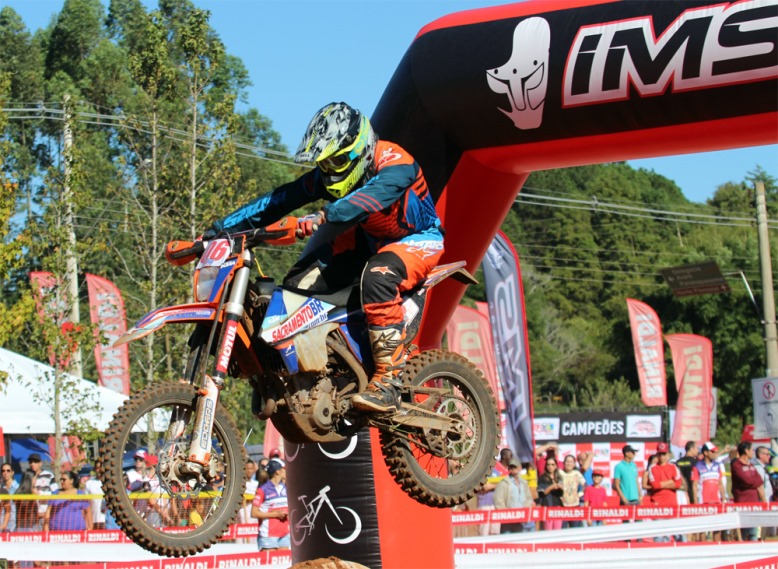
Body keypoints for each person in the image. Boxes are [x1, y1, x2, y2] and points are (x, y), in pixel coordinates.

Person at [205, 102, 445, 414]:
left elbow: (372, 196)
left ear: (359, 149)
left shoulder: (395, 161)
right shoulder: (330, 175)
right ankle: (304, 372)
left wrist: (324, 214)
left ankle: (389, 380)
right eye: (325, 164)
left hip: (416, 240)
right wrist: (220, 229)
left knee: (378, 275)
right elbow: (279, 199)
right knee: (298, 283)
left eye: (337, 161)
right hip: (368, 240)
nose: (330, 172)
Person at [252, 458, 290, 551]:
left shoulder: (285, 488)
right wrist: (276, 514)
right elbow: (254, 513)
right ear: (278, 472)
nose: (287, 471)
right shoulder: (263, 489)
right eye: (284, 469)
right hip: (268, 536)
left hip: (284, 534)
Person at [647, 442, 681, 542]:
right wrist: (671, 481)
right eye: (660, 454)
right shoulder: (652, 468)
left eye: (664, 454)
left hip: (672, 505)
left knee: (675, 535)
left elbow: (678, 484)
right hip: (658, 506)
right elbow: (655, 485)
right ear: (657, 455)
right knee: (659, 536)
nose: (662, 457)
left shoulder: (673, 467)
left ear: (668, 454)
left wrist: (663, 484)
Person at [731, 441, 765, 542]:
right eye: (752, 450)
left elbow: (760, 480)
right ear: (746, 451)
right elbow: (747, 480)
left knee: (753, 533)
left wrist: (754, 483)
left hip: (754, 504)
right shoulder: (736, 465)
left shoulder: (751, 465)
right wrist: (755, 483)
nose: (753, 452)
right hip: (742, 504)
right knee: (744, 533)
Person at [694, 442, 726, 541]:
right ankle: (703, 547)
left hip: (716, 501)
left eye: (716, 451)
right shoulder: (697, 466)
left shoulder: (718, 465)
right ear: (706, 453)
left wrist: (724, 498)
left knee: (717, 528)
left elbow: (720, 483)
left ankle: (717, 547)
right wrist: (695, 502)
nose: (715, 453)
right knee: (703, 528)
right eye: (713, 451)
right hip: (703, 501)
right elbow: (694, 485)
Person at [494, 458, 533, 534]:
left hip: (521, 519)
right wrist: (505, 514)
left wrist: (525, 511)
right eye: (511, 467)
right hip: (508, 520)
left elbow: (529, 498)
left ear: (520, 467)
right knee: (507, 540)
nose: (512, 469)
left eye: (515, 467)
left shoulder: (524, 483)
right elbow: (498, 501)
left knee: (520, 540)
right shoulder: (504, 483)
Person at [754, 445, 776, 539]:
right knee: (760, 527)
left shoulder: (763, 467)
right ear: (761, 455)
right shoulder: (758, 468)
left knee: (765, 528)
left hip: (767, 500)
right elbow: (760, 487)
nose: (769, 456)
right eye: (767, 454)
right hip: (762, 502)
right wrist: (764, 503)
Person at [558, 455, 586, 528]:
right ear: (563, 463)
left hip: (575, 506)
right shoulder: (559, 473)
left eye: (571, 462)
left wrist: (579, 494)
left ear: (574, 464)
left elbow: (585, 485)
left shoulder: (576, 473)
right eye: (567, 461)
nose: (569, 463)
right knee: (562, 530)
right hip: (562, 506)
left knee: (575, 530)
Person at [537, 458, 563, 531]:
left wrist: (562, 487)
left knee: (557, 530)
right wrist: (552, 487)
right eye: (548, 465)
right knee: (548, 530)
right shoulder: (542, 478)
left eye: (552, 464)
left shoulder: (559, 477)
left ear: (556, 466)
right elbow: (543, 492)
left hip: (558, 506)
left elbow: (564, 492)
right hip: (547, 506)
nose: (550, 466)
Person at [675, 441, 699, 505]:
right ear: (691, 449)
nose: (698, 450)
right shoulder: (696, 463)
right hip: (693, 492)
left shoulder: (677, 462)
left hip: (681, 494)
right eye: (697, 448)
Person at [1, 462, 18, 533]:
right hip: (2, 524)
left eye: (8, 470)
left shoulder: (18, 488)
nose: (5, 473)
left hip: (14, 525)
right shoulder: (1, 488)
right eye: (3, 471)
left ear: (12, 473)